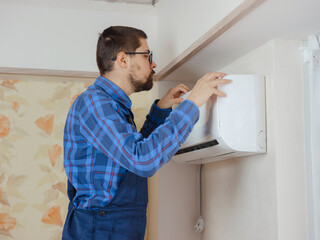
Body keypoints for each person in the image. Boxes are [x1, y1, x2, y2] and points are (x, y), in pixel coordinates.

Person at [62, 26, 231, 240]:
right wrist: (194, 102)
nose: (153, 63)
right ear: (123, 60)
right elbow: (142, 160)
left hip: (113, 225)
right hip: (101, 228)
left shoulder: (111, 105)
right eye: (147, 55)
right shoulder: (95, 104)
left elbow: (129, 158)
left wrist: (160, 111)